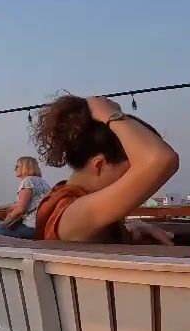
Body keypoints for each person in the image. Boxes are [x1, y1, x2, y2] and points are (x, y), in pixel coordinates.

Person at [32, 95, 178, 244]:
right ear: (100, 165)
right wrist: (109, 114)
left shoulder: (63, 203)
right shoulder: (73, 214)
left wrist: (129, 230)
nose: (140, 179)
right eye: (133, 168)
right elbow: (161, 159)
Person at [0, 156, 51, 239]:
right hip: (43, 226)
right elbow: (27, 203)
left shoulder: (27, 182)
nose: (15, 169)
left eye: (17, 166)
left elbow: (21, 209)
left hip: (32, 227)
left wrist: (5, 223)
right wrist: (2, 207)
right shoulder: (43, 182)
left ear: (25, 167)